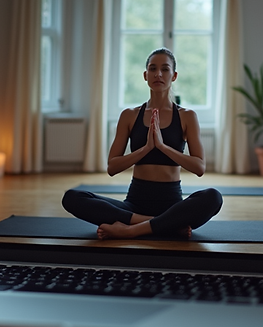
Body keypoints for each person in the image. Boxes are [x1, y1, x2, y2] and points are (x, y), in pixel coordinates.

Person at [62, 48, 222, 239]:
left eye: (165, 69)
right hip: (134, 204)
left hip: (172, 203)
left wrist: (163, 147)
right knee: (72, 197)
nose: (158, 74)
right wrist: (146, 148)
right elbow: (112, 167)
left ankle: (131, 230)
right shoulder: (129, 115)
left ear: (174, 75)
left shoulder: (187, 116)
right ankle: (164, 223)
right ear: (145, 75)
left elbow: (199, 167)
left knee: (213, 197)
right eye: (153, 69)